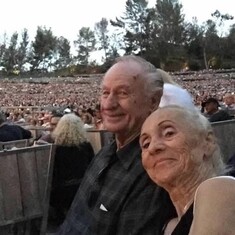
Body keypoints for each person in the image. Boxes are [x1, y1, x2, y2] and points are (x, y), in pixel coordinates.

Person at [57, 55, 173, 235]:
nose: (109, 104)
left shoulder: (153, 171)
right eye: (105, 93)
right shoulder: (106, 153)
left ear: (153, 101)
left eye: (122, 93)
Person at [140, 105, 235, 235]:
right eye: (145, 144)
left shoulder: (220, 189)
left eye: (169, 133)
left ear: (208, 142)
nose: (152, 147)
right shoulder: (166, 224)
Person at [49, 113, 94, 226]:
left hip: (61, 191)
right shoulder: (86, 146)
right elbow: (92, 166)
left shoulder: (56, 149)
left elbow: (53, 173)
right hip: (82, 189)